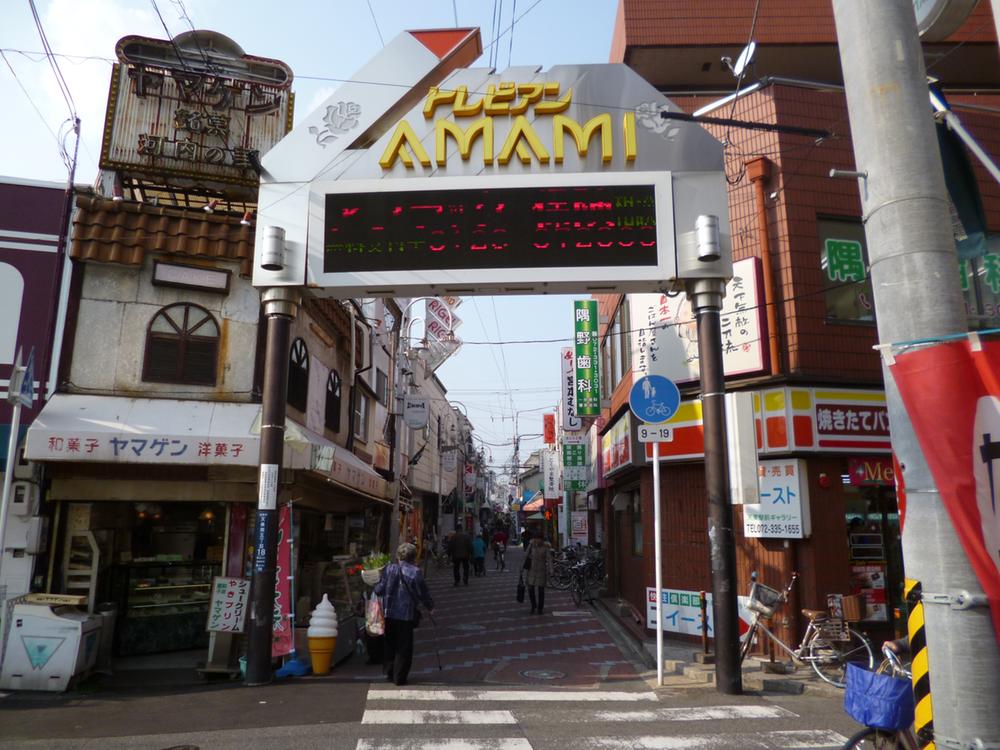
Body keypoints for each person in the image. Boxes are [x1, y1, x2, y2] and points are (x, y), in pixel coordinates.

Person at [373, 542, 433, 686]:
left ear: (398, 555)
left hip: (388, 612)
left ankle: (389, 672)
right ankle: (399, 676)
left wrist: (375, 585)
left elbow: (379, 589)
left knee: (390, 643)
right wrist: (430, 606)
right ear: (413, 557)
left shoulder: (388, 569)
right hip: (406, 614)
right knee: (404, 646)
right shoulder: (415, 572)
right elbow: (422, 592)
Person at [522, 533, 552, 614]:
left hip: (541, 570)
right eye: (535, 538)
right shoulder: (531, 545)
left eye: (538, 538)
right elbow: (525, 555)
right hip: (531, 570)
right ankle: (533, 605)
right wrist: (521, 568)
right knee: (530, 589)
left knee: (541, 590)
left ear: (542, 539)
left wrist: (550, 570)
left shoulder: (546, 547)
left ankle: (540, 608)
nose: (536, 540)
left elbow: (549, 559)